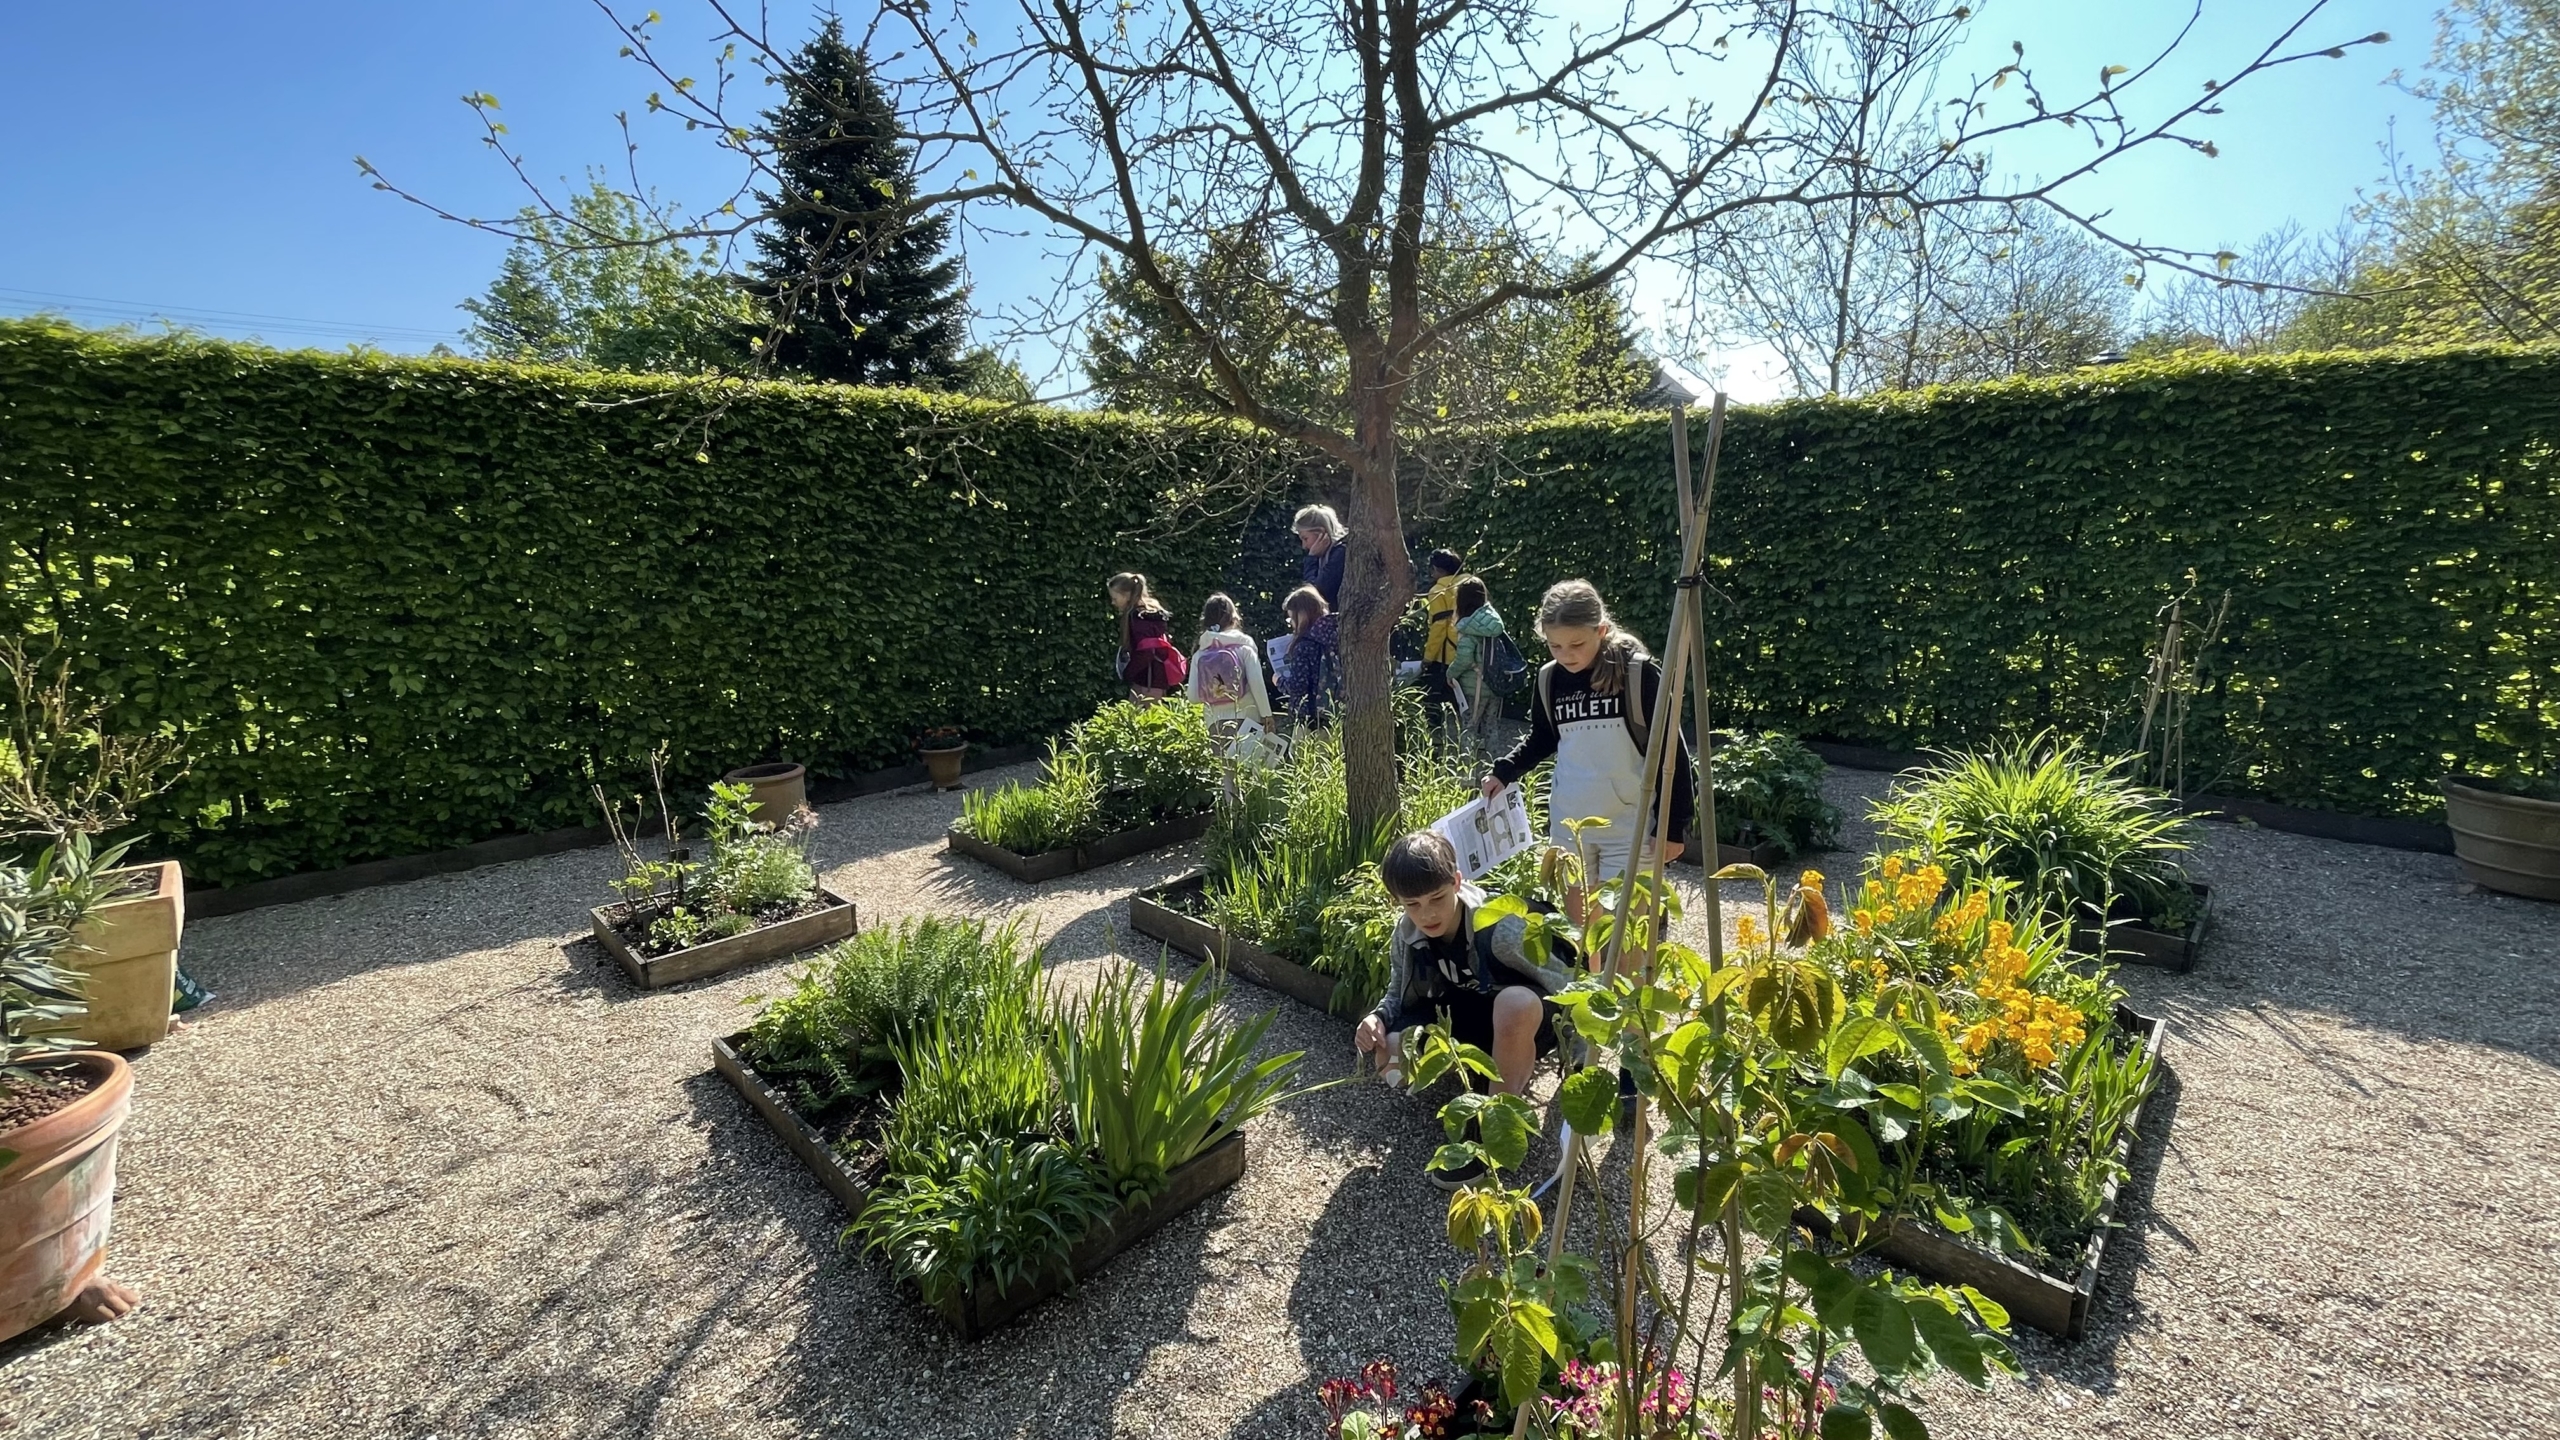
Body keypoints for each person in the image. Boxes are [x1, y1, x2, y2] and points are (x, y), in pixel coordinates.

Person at [1353, 831, 1573, 1189]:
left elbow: (1567, 985)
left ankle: (1493, 1124)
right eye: (1413, 904)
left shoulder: (1500, 928)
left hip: (1525, 1017)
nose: (1427, 913)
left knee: (1512, 1005)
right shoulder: (1407, 932)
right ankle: (1482, 1079)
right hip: (1467, 1016)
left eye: (1437, 898)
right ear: (1399, 902)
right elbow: (1397, 992)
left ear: (1457, 882)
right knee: (1388, 1052)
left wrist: (1580, 1062)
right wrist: (1376, 1018)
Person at [1480, 579, 1693, 911]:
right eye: (1555, 646)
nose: (1566, 655)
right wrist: (1504, 772)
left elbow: (1672, 751)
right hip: (1570, 830)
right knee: (1581, 941)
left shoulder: (1639, 674)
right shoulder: (1549, 678)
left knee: (1626, 940)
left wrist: (1674, 827)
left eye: (1576, 644)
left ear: (1601, 630)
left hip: (1630, 830)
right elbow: (1543, 737)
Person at [1187, 592, 1275, 730]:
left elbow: (1193, 697)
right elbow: (1257, 685)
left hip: (1215, 724)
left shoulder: (1200, 654)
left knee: (1220, 753)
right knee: (1249, 753)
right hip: (1248, 719)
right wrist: (1267, 715)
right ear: (1234, 618)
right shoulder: (1245, 649)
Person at [1446, 575, 1509, 752]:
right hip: (1494, 684)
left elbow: (1464, 658)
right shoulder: (1494, 622)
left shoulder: (1468, 627)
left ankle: (1466, 774)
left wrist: (1450, 674)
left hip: (1473, 687)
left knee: (1469, 727)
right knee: (1491, 726)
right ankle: (1495, 770)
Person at [1107, 572, 1187, 699]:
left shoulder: (1138, 618)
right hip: (1156, 678)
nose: (1113, 602)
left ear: (1126, 595)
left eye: (1115, 598)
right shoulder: (1151, 612)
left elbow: (1147, 651)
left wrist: (1128, 673)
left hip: (1147, 680)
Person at [1275, 585, 1342, 726]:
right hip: (1334, 714)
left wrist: (1279, 681)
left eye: (1291, 619)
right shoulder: (1335, 635)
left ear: (1301, 615)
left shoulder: (1304, 645)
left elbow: (1298, 687)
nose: (1292, 624)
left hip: (1309, 718)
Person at [1418, 548, 1463, 717]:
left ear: (1438, 570)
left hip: (1445, 655)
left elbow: (1439, 627)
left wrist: (1428, 657)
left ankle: (1436, 737)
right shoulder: (1467, 584)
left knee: (1433, 700)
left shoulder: (1438, 590)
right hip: (1467, 650)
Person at [1293, 504, 1348, 610]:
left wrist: (1311, 558)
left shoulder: (1340, 553)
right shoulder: (1323, 555)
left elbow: (1316, 593)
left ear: (1321, 533)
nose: (1304, 546)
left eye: (1305, 538)